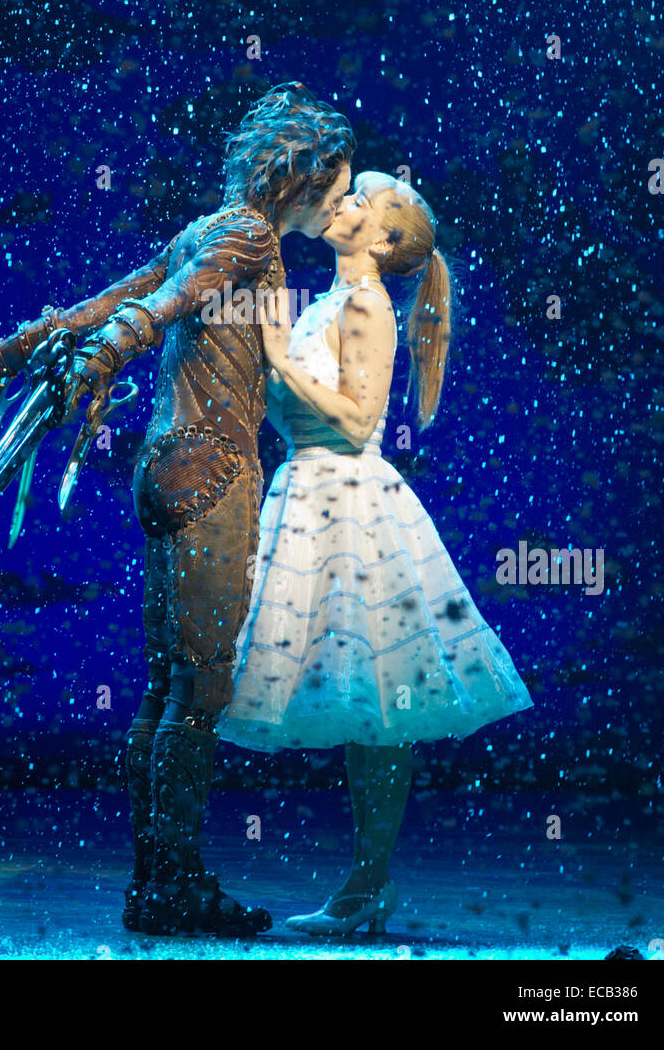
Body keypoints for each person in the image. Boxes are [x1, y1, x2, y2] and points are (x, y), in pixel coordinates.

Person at [0, 82, 354, 935]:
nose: (340, 199)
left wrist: (22, 345)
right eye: (335, 181)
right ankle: (173, 886)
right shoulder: (247, 235)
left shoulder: (205, 228)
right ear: (299, 174)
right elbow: (155, 307)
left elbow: (118, 293)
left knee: (163, 689)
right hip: (213, 472)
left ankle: (156, 884)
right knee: (200, 688)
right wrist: (104, 352)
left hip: (165, 468)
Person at [218, 170, 533, 934]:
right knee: (364, 702)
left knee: (381, 702)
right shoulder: (329, 300)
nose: (344, 204)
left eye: (361, 200)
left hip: (349, 505)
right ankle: (366, 885)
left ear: (385, 241)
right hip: (306, 494)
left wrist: (279, 358)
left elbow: (360, 422)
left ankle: (369, 884)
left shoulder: (366, 304)